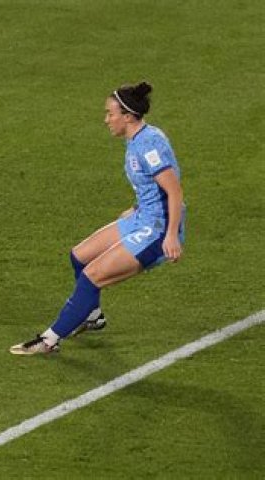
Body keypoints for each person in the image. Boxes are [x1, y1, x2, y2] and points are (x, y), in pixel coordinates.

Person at [10, 81, 185, 355]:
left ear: (128, 116)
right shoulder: (140, 138)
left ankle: (49, 340)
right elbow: (154, 187)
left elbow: (174, 191)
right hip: (144, 216)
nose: (106, 120)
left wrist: (172, 235)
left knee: (91, 276)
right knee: (79, 256)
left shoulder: (147, 146)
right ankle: (92, 316)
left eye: (110, 114)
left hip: (158, 228)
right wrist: (138, 206)